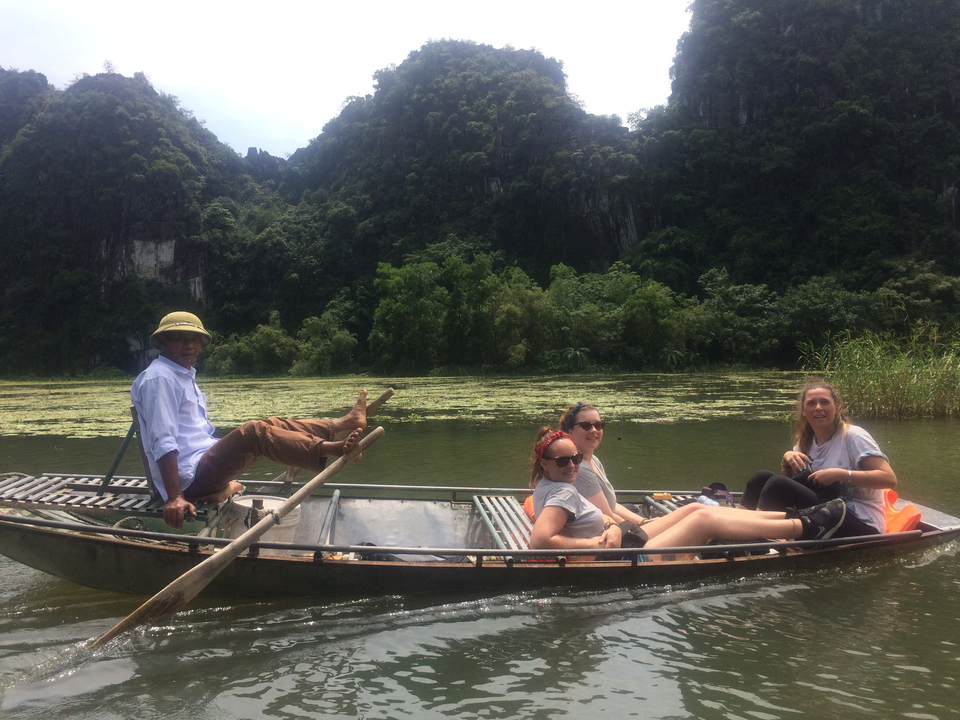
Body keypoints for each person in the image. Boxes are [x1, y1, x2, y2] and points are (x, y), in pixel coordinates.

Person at [131, 311, 366, 530]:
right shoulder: (159, 379)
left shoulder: (180, 374)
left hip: (202, 463)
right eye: (180, 339)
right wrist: (175, 497)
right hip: (190, 479)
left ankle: (341, 424)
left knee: (271, 424)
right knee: (254, 433)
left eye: (195, 339)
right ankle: (334, 449)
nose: (190, 345)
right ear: (163, 342)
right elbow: (163, 440)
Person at [528, 428, 850, 554]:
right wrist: (595, 544)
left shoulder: (547, 485)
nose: (572, 465)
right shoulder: (563, 492)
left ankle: (799, 515)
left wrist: (611, 526)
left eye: (575, 459)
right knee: (705, 521)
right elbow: (541, 541)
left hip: (624, 539)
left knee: (695, 509)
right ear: (545, 462)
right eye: (563, 461)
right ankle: (806, 526)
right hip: (620, 557)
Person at [739, 380, 896, 537]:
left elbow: (889, 479)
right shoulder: (805, 442)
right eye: (811, 403)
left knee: (776, 483)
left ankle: (753, 537)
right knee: (761, 478)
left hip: (860, 520)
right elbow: (790, 485)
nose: (818, 408)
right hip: (822, 512)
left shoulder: (853, 437)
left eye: (824, 402)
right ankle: (733, 527)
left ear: (837, 407)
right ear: (803, 410)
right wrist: (787, 462)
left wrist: (839, 474)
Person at [560, 401, 646, 524]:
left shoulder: (593, 460)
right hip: (610, 533)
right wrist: (639, 529)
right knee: (684, 517)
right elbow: (608, 515)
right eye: (586, 425)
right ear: (570, 432)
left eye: (598, 425)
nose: (594, 430)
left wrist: (643, 521)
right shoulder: (579, 469)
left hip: (617, 525)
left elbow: (611, 506)